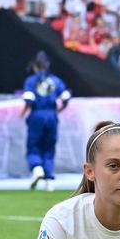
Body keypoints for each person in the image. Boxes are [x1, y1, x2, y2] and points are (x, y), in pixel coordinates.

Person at [22, 51, 71, 190]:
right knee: (49, 147)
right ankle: (49, 179)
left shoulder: (31, 81)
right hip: (52, 116)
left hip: (37, 115)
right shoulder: (56, 80)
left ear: (34, 65)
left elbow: (29, 100)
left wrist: (23, 113)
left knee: (34, 145)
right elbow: (66, 97)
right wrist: (58, 111)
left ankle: (37, 169)